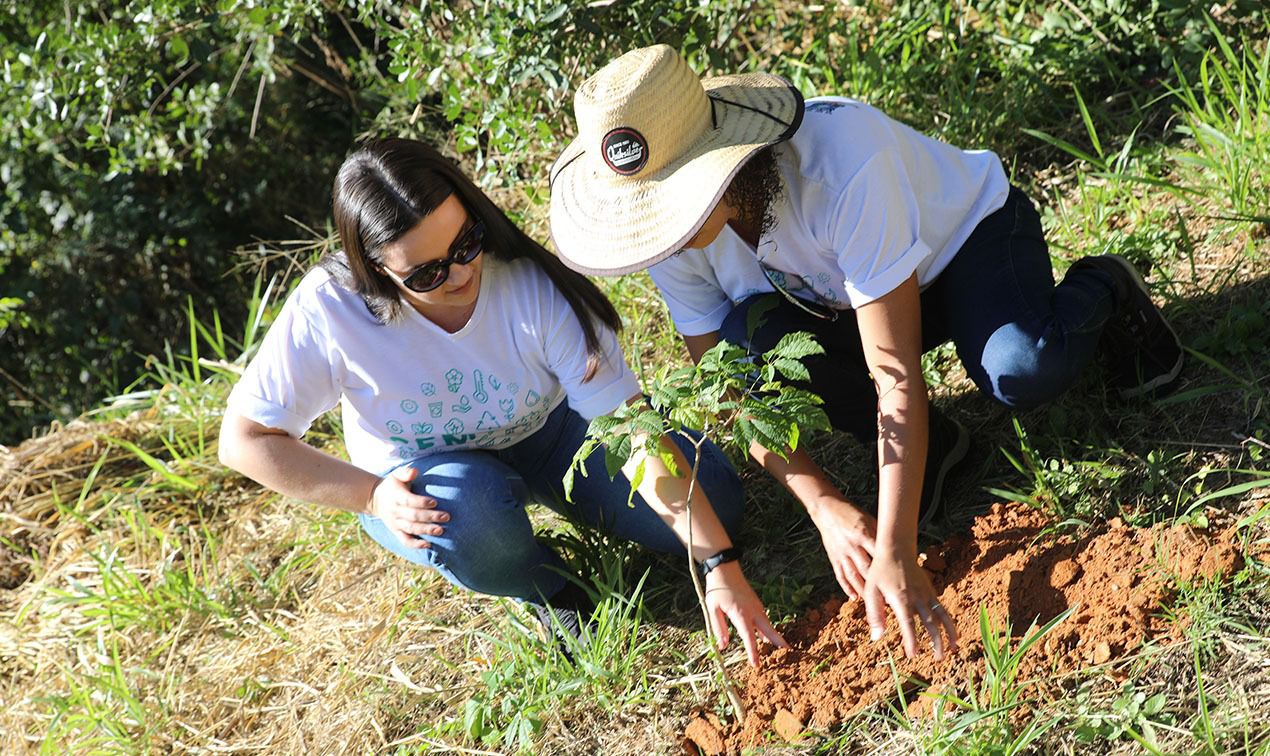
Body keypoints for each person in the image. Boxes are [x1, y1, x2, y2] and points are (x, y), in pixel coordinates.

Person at [547, 45, 1183, 661]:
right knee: (750, 337)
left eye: (670, 206)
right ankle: (943, 446)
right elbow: (731, 399)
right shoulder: (677, 244)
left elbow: (897, 376)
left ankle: (1105, 286)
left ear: (725, 164)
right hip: (839, 301)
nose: (667, 234)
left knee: (1023, 369)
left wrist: (897, 550)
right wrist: (823, 506)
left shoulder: (841, 164)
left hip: (962, 248)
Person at [218, 138, 788, 665]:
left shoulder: (529, 284)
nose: (461, 272)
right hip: (429, 477)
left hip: (551, 432)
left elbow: (629, 432)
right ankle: (543, 584)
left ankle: (583, 507)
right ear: (374, 272)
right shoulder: (331, 309)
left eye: (467, 242)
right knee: (469, 516)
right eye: (426, 272)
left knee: (715, 502)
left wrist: (719, 565)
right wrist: (371, 497)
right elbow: (245, 442)